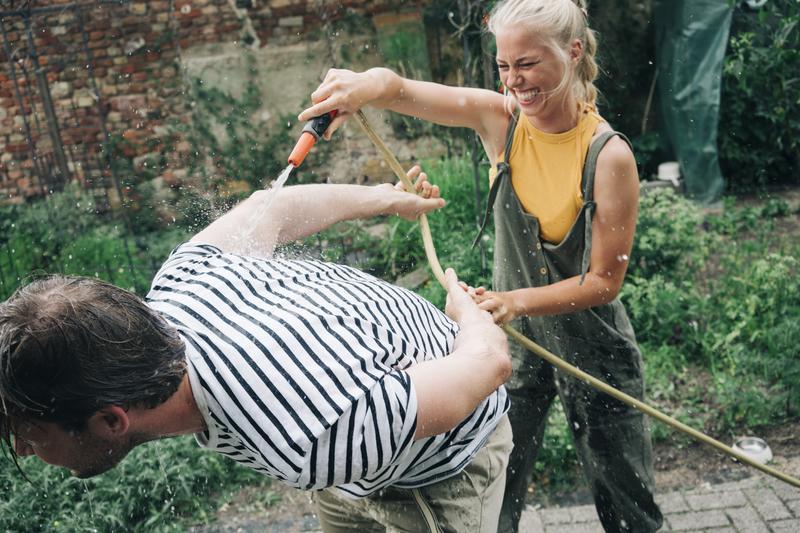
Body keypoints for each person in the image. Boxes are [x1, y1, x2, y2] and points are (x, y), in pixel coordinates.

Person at [298, 1, 664, 531]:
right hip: (503, 346)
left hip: (594, 347)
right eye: (504, 66)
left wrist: (513, 301)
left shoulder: (608, 156)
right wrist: (364, 85)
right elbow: (401, 90)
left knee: (629, 505)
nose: (515, 82)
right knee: (491, 494)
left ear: (574, 51)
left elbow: (605, 281)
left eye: (529, 64)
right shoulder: (501, 121)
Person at [0, 166, 514, 533]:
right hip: (352, 447)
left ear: (112, 420)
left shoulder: (308, 433)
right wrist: (384, 198)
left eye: (30, 434)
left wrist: (467, 317)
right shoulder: (177, 283)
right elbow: (274, 209)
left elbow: (487, 363)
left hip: (436, 467)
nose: (22, 449)